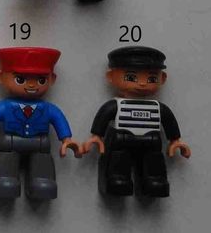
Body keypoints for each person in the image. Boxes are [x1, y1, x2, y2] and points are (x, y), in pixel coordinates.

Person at [0, 47, 80, 201]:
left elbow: (58, 119)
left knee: (42, 167)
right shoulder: (5, 107)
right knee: (6, 167)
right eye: (20, 80)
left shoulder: (47, 109)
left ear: (52, 79)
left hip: (40, 144)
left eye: (41, 80)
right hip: (10, 143)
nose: (31, 85)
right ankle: (5, 179)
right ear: (1, 77)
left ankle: (41, 180)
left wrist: (67, 139)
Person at [82, 46, 191, 197]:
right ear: (111, 76)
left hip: (151, 142)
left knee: (154, 160)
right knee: (119, 159)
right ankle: (118, 179)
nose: (142, 84)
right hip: (122, 140)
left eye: (151, 79)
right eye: (131, 78)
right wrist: (96, 136)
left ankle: (155, 180)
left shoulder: (158, 107)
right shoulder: (117, 105)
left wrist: (175, 140)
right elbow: (104, 116)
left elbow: (169, 121)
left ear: (163, 79)